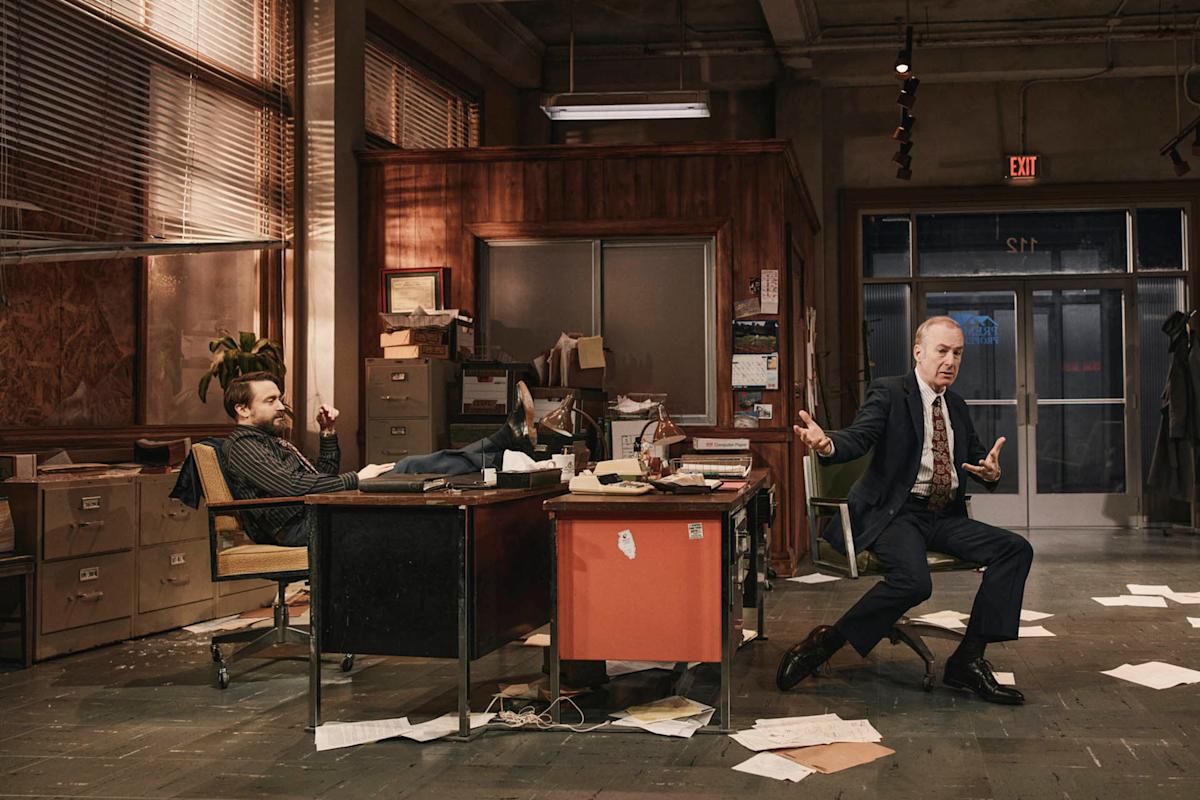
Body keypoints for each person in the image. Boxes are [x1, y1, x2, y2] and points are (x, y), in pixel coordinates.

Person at [777, 316, 1034, 705]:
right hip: (896, 514)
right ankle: (828, 641)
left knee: (1015, 549)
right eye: (941, 351)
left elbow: (978, 458)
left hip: (943, 515)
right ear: (918, 352)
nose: (950, 361)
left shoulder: (957, 406)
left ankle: (968, 660)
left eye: (957, 353)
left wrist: (990, 471)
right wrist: (828, 443)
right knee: (915, 583)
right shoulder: (890, 392)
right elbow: (860, 437)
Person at [221, 372, 536, 547]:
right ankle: (504, 447)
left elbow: (320, 476)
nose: (281, 406)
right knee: (408, 472)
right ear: (242, 409)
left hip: (314, 513)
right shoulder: (243, 446)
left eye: (280, 399)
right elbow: (293, 486)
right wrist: (357, 479)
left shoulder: (268, 441)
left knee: (410, 472)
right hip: (297, 527)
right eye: (271, 400)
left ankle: (504, 449)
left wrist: (327, 433)